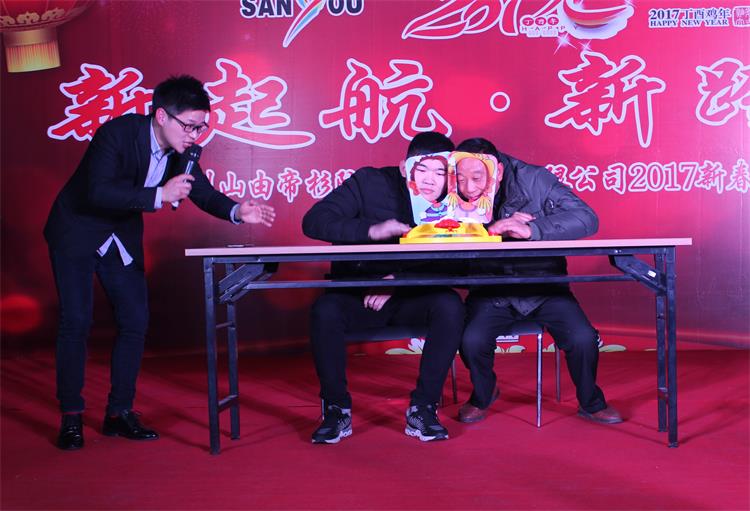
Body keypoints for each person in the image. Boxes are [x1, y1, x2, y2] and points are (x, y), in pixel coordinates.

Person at [44, 75, 276, 450]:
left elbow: (200, 191)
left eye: (201, 127)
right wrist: (159, 194)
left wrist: (236, 211)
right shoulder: (117, 134)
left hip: (119, 236)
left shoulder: (184, 152)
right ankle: (71, 416)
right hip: (77, 230)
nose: (195, 135)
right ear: (162, 116)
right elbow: (98, 191)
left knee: (135, 321)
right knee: (77, 321)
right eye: (189, 126)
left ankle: (119, 413)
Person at [301, 132, 464, 444]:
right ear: (404, 167)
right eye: (422, 169)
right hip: (357, 294)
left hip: (411, 296)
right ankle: (336, 408)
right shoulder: (368, 182)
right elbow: (314, 221)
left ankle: (423, 407)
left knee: (449, 305)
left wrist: (398, 281)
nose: (430, 180)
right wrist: (371, 230)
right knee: (325, 310)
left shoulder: (455, 203)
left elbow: (458, 264)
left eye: (441, 172)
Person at [455, 137, 622, 425]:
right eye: (460, 179)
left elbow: (586, 218)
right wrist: (489, 231)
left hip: (543, 285)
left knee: (582, 338)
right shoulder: (446, 182)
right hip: (491, 286)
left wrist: (533, 229)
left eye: (477, 178)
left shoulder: (534, 179)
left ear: (498, 171)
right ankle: (484, 393)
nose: (468, 187)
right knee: (470, 340)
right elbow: (438, 232)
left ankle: (591, 402)